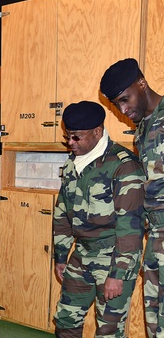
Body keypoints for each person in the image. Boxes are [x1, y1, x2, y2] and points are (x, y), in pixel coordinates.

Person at [52, 101, 145, 337]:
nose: (70, 143)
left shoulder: (124, 166)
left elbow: (130, 228)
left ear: (97, 131)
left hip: (114, 257)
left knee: (109, 330)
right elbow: (62, 212)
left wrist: (118, 274)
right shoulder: (73, 164)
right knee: (65, 319)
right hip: (81, 254)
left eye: (76, 137)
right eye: (67, 137)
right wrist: (61, 256)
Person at [100, 57, 164, 337]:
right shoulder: (142, 130)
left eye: (126, 99)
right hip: (156, 238)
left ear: (142, 83)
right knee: (155, 320)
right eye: (117, 105)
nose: (124, 109)